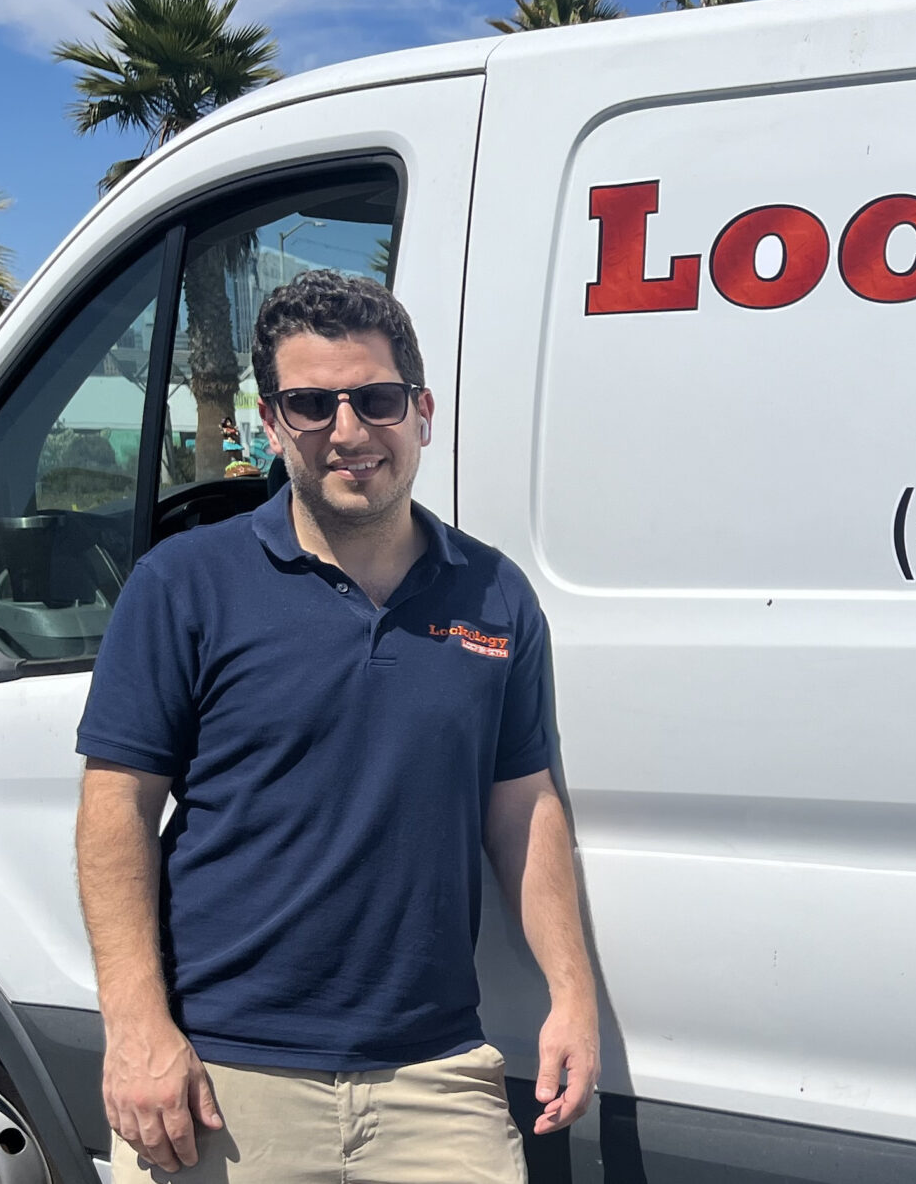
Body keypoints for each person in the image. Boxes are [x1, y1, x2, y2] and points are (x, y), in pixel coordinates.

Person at [73, 271, 596, 1182]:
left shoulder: (497, 596)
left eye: (377, 399)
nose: (349, 433)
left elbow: (524, 811)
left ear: (422, 412)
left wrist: (574, 994)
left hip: (436, 1078)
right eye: (312, 405)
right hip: (221, 1080)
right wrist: (135, 1029)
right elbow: (115, 812)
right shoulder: (183, 585)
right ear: (272, 426)